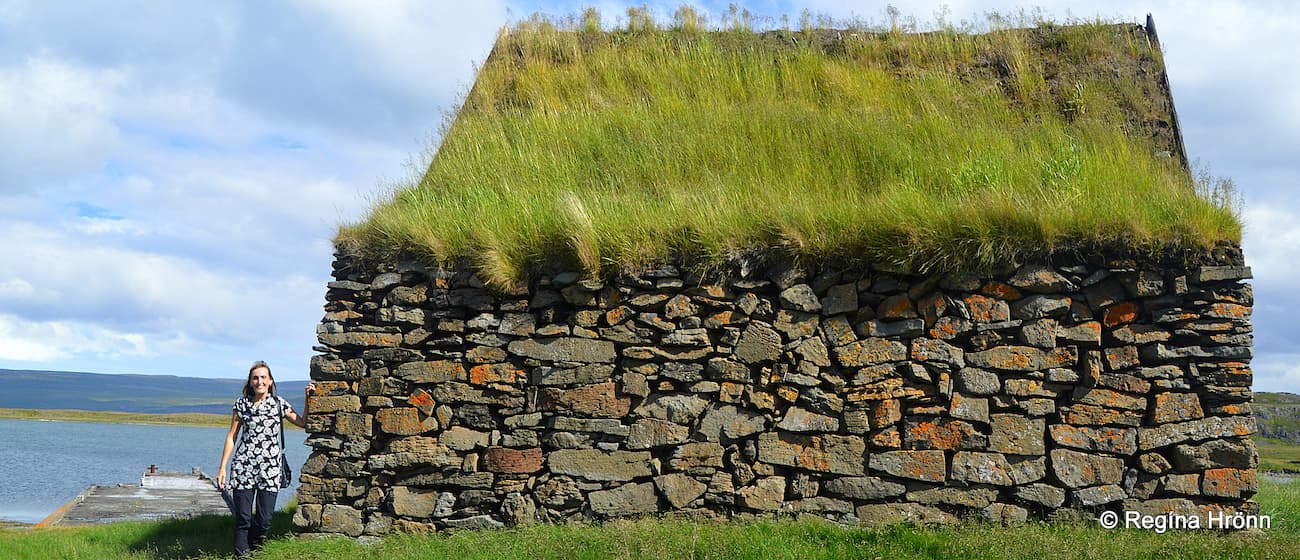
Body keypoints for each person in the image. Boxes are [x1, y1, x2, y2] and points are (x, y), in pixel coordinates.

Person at [217, 361, 314, 557]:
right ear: (251, 382)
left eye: (263, 377)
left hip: (270, 470)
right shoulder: (242, 404)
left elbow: (303, 423)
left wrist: (307, 399)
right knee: (243, 518)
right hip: (243, 467)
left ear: (270, 381)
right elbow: (231, 436)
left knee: (264, 520)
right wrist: (222, 467)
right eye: (255, 378)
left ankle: (253, 550)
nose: (259, 381)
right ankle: (242, 555)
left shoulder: (279, 404)